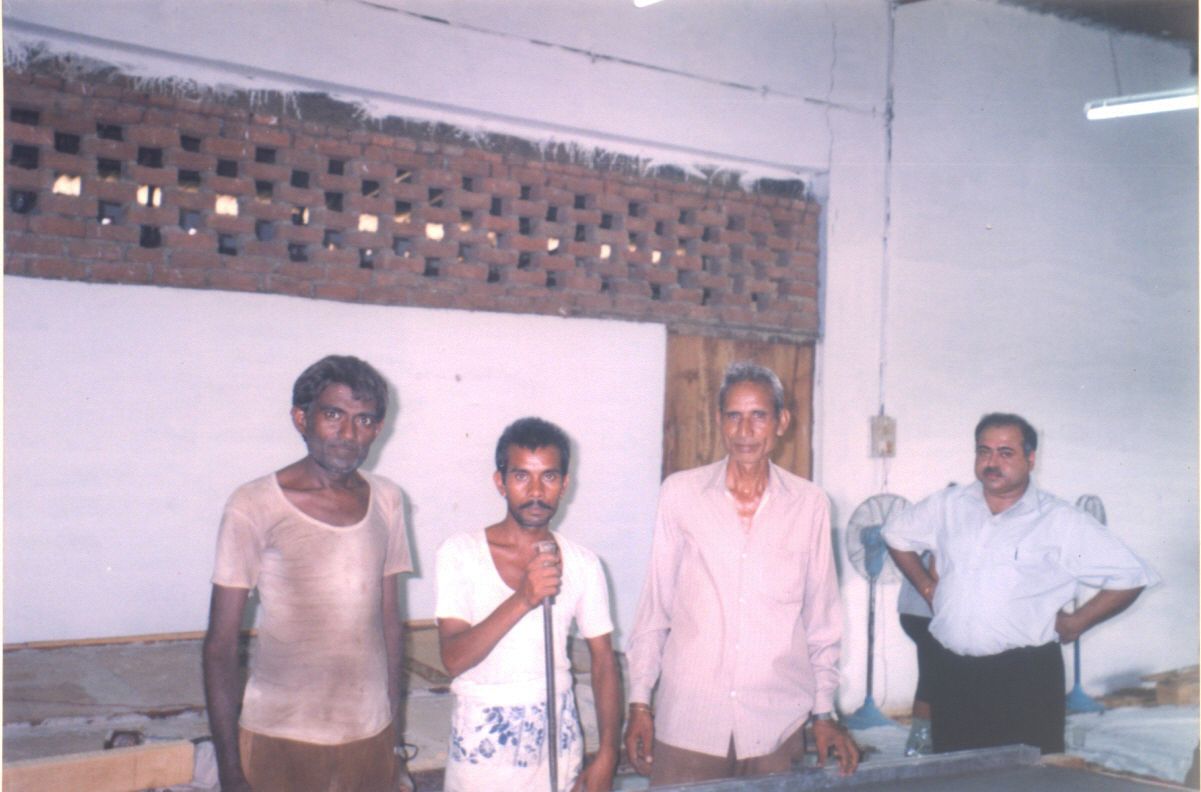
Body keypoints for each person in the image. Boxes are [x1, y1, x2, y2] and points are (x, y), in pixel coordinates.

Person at [624, 362, 859, 786]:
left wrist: (824, 712)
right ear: (719, 421)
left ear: (781, 422)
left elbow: (822, 619)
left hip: (775, 725)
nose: (745, 430)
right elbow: (655, 606)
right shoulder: (680, 494)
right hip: (690, 720)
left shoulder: (810, 505)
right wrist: (640, 702)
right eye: (733, 415)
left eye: (758, 416)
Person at [883, 413, 1158, 755]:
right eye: (983, 451)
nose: (991, 462)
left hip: (1024, 678)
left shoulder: (1059, 520)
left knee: (1026, 776)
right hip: (953, 673)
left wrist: (1077, 622)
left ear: (1030, 459)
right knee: (957, 773)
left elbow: (1131, 575)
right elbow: (895, 533)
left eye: (1005, 452)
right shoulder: (948, 506)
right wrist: (926, 587)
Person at [202, 355, 413, 792]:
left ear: (377, 428)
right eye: (333, 415)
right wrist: (230, 771)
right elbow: (220, 646)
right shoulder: (253, 504)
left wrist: (393, 740)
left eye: (363, 420)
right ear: (301, 418)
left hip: (369, 734)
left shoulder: (388, 500)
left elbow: (390, 624)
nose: (348, 434)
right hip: (281, 735)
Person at [434, 417, 620, 792]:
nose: (536, 491)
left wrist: (608, 754)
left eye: (549, 477)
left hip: (557, 749)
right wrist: (523, 598)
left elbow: (604, 661)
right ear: (500, 482)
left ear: (564, 484)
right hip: (481, 754)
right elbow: (453, 659)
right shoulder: (460, 553)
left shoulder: (583, 563)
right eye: (521, 476)